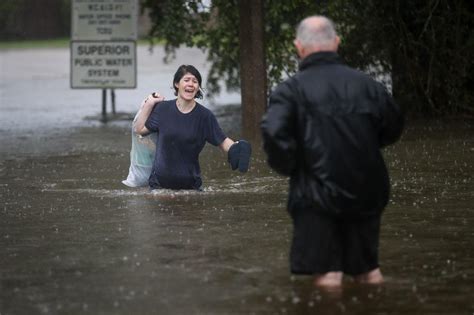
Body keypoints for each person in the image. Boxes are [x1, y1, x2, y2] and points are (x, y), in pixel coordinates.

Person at [260, 16, 404, 287]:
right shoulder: (368, 85)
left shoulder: (290, 90)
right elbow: (394, 125)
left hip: (316, 194)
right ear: (337, 43)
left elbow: (273, 133)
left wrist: (292, 167)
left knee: (328, 275)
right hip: (367, 189)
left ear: (299, 47)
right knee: (368, 271)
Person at [131, 64, 251, 190]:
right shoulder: (163, 109)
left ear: (198, 87)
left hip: (190, 188)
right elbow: (139, 130)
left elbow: (222, 141)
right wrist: (149, 103)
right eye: (186, 80)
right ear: (177, 84)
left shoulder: (205, 116)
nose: (191, 84)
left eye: (195, 81)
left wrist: (236, 147)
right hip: (159, 187)